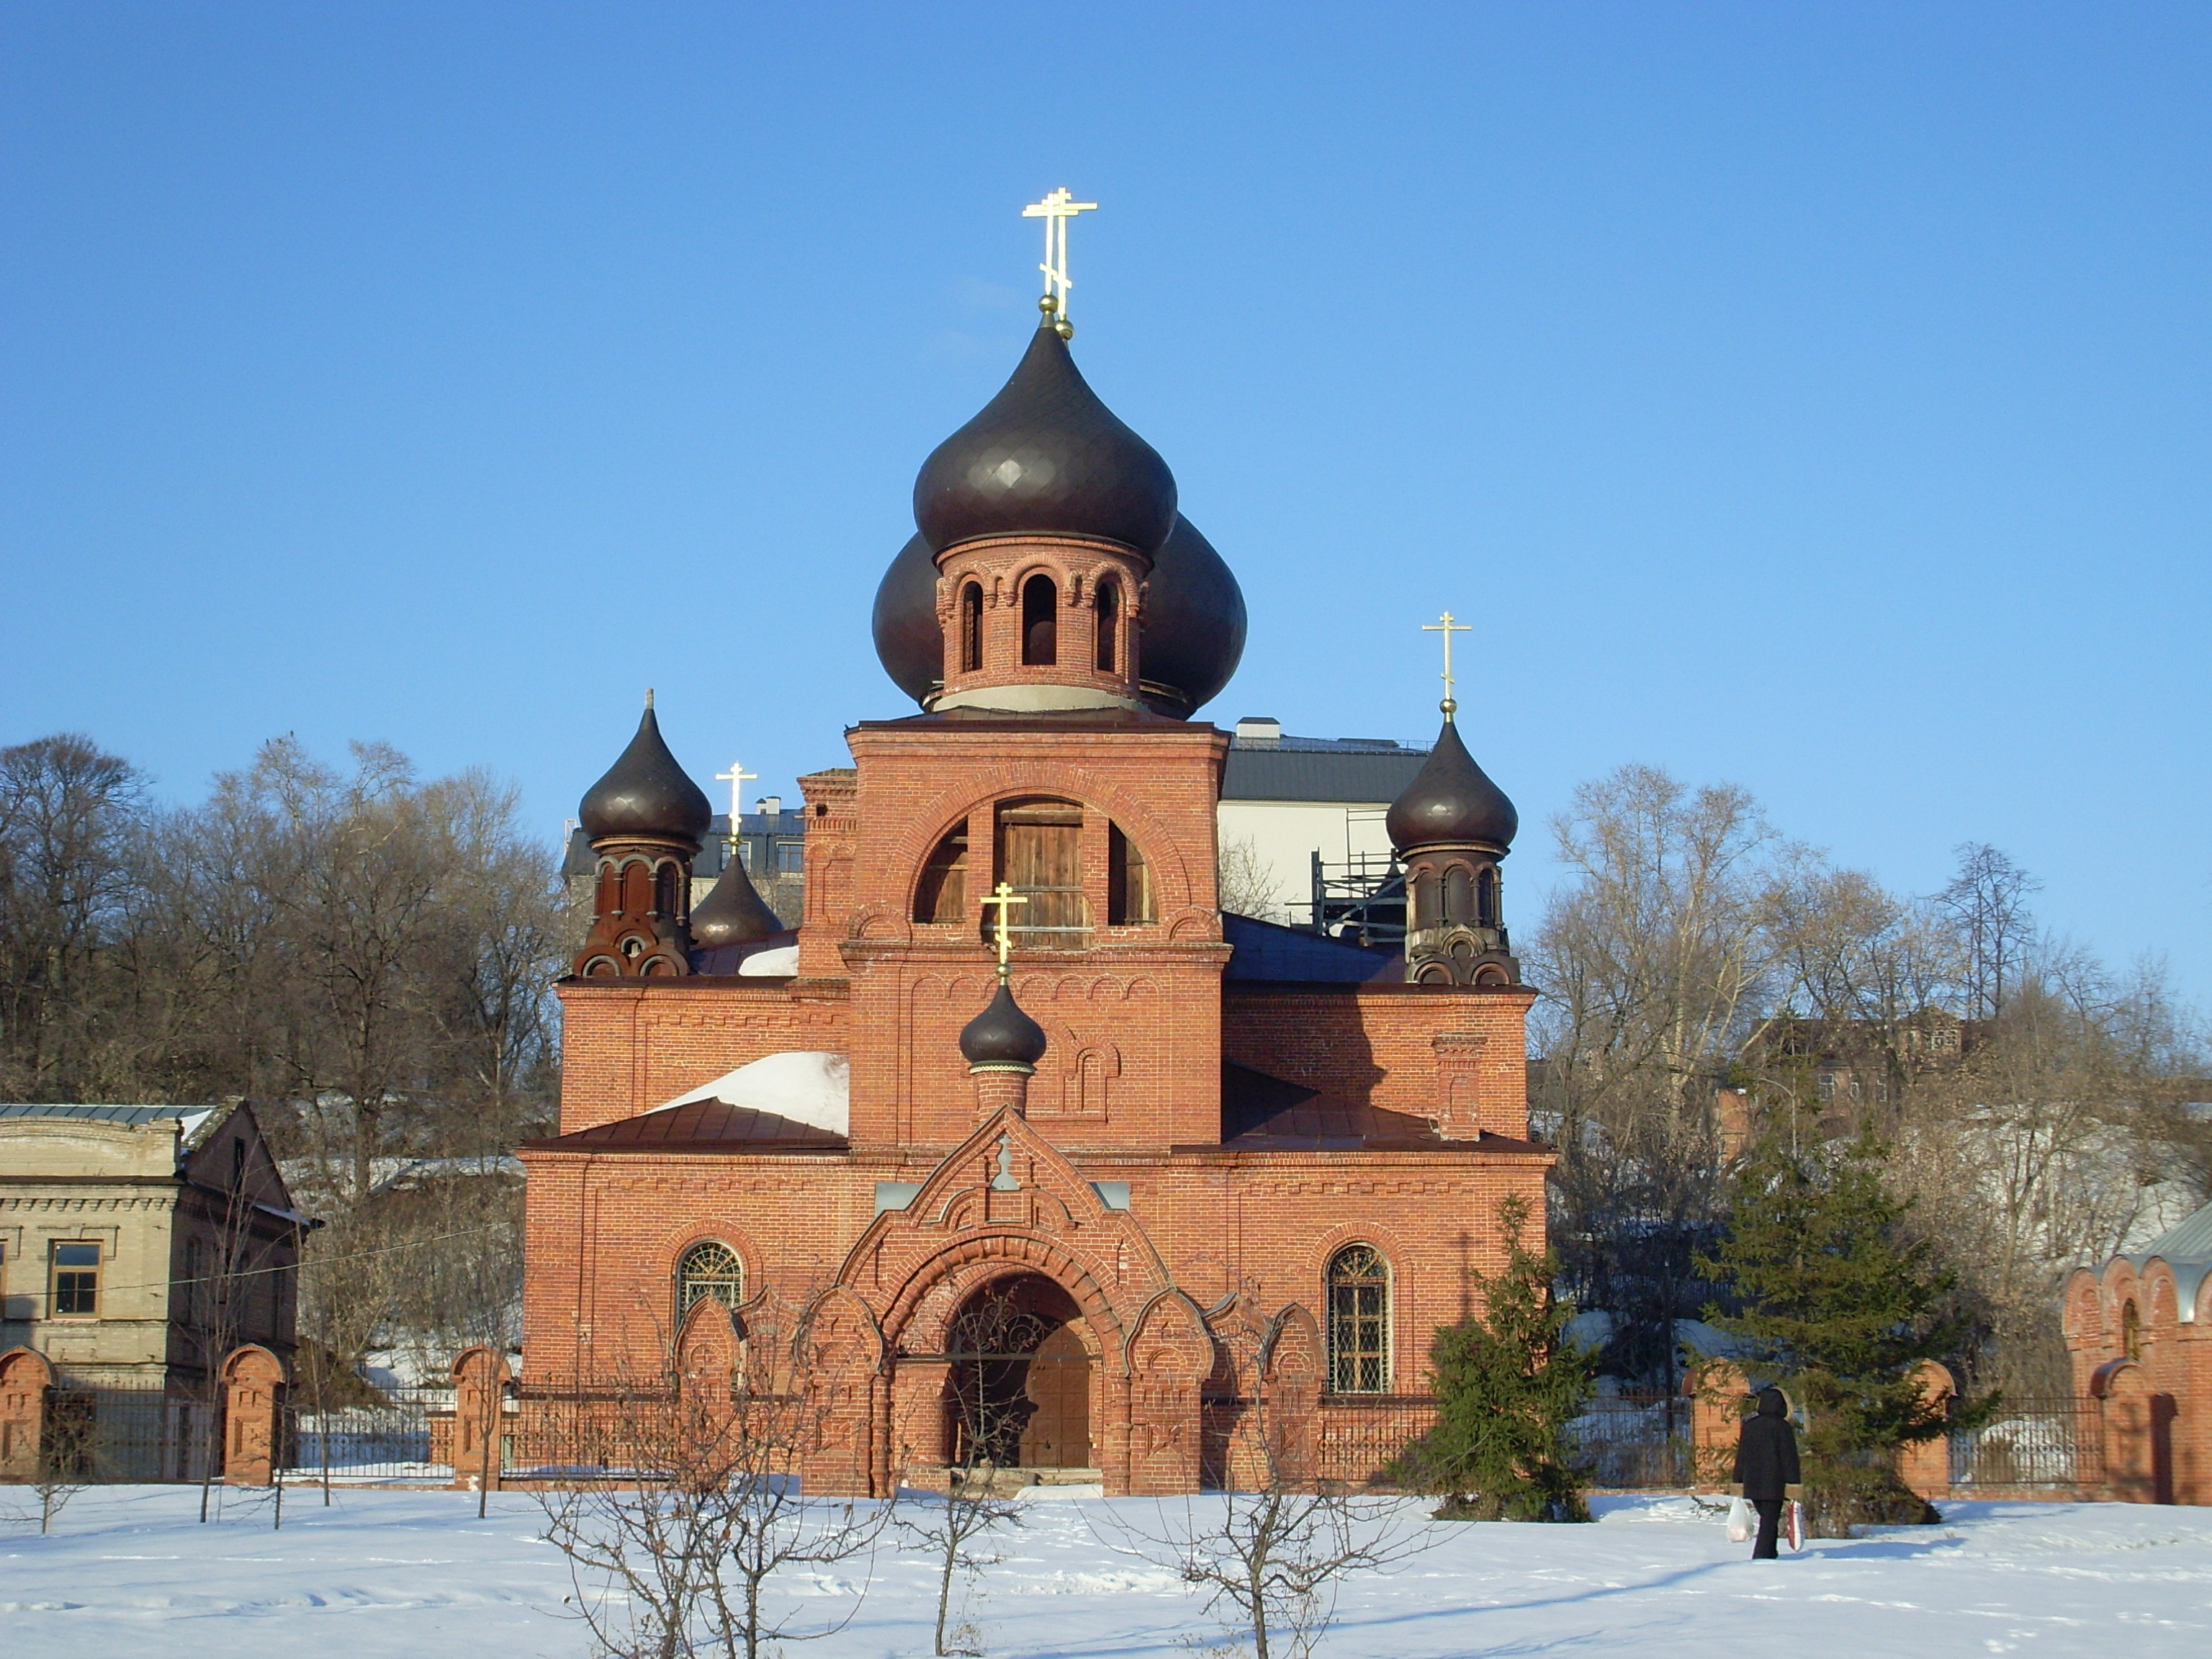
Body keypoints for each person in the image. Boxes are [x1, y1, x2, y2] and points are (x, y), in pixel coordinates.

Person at [1732, 1386, 1803, 1559]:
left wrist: (1738, 1480)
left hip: (1753, 1483)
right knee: (1769, 1522)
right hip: (1774, 1484)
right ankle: (1763, 1556)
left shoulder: (1750, 1426)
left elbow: (1742, 1455)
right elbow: (1789, 1458)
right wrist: (1794, 1484)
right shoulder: (1782, 1427)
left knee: (1767, 1520)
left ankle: (1770, 1552)